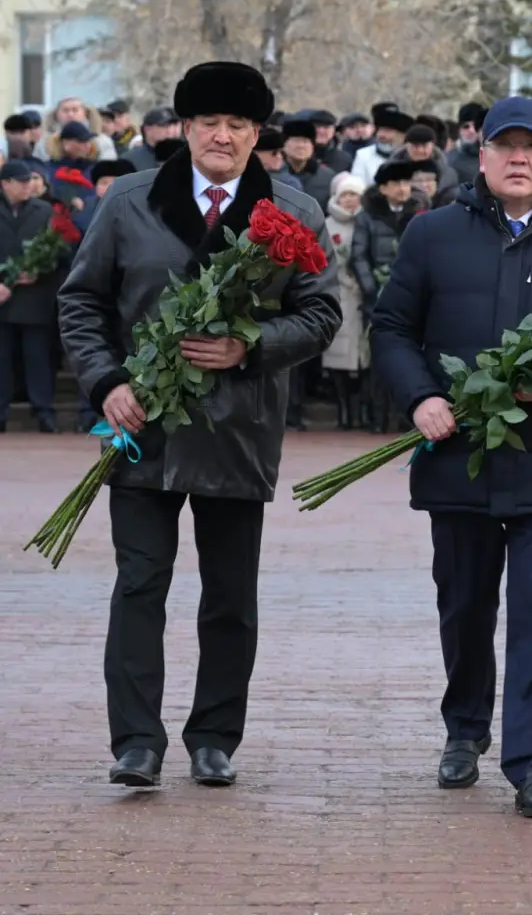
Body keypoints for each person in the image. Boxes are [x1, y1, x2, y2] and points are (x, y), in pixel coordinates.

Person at [58, 61, 342, 789]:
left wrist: (252, 346)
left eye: (238, 126)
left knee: (228, 596)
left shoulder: (294, 211)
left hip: (237, 428)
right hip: (142, 426)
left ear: (257, 137)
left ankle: (214, 736)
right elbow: (83, 303)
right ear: (183, 129)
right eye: (209, 123)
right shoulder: (126, 202)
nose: (223, 136)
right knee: (139, 584)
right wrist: (106, 382)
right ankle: (136, 742)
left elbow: (320, 314)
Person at [370, 96, 532, 819]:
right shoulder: (432, 234)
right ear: (478, 157)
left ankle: (531, 759)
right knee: (465, 605)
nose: (518, 158)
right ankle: (464, 729)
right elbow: (391, 327)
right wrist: (420, 398)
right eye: (503, 146)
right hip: (457, 456)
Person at [350, 159, 422, 433]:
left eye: (406, 183)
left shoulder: (419, 213)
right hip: (377, 298)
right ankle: (377, 418)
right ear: (383, 188)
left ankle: (406, 417)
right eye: (397, 184)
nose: (404, 189)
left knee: (411, 358)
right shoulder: (367, 216)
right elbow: (358, 256)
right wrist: (372, 288)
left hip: (412, 297)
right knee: (379, 360)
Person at [0, 161, 57, 433]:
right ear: (5, 184)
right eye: (21, 182)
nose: (28, 186)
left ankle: (43, 410)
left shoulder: (44, 210)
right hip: (1, 299)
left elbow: (58, 250)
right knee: (1, 358)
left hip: (34, 297)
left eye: (30, 181)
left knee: (37, 357)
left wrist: (40, 270)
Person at [322, 173, 369, 429]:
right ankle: (343, 412)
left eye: (355, 195)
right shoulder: (327, 225)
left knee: (363, 356)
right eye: (346, 195)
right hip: (337, 294)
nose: (350, 200)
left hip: (362, 296)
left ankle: (359, 410)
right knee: (337, 353)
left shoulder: (366, 222)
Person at [351, 102, 414, 187]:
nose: (381, 135)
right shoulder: (363, 155)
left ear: (402, 136)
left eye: (387, 131)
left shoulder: (412, 156)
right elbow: (357, 186)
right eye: (380, 130)